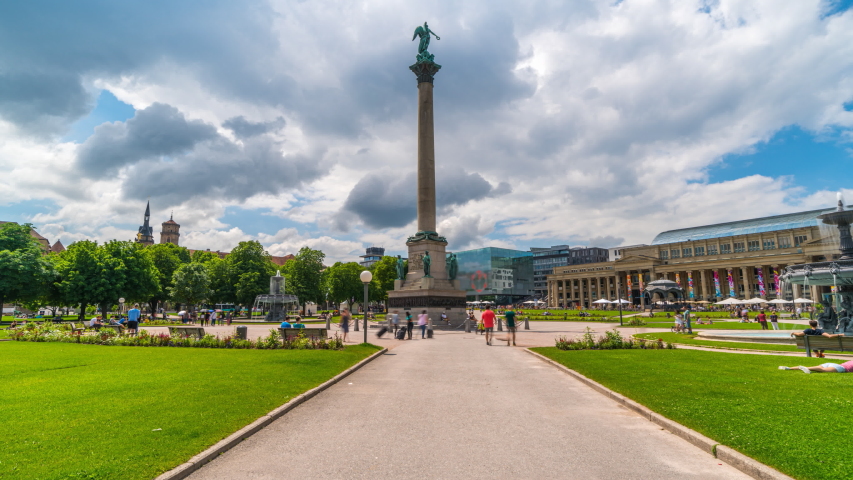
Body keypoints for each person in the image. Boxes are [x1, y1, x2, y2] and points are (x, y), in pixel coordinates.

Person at [779, 359, 853, 374]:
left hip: (833, 364)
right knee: (823, 370)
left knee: (818, 367)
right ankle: (807, 369)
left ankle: (789, 368)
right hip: (841, 368)